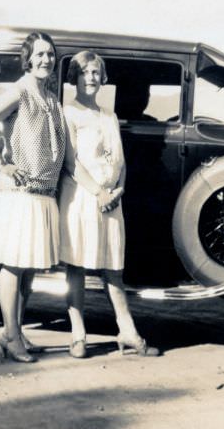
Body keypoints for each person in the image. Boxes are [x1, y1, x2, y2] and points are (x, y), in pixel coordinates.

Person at [0, 32, 66, 363]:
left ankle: (16, 332)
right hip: (19, 194)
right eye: (39, 54)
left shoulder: (51, 97)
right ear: (28, 59)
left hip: (43, 194)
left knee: (28, 269)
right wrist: (3, 163)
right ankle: (10, 335)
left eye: (50, 54)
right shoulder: (20, 91)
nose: (45, 60)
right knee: (14, 265)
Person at [59, 50, 159, 358]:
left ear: (102, 78)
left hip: (112, 200)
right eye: (84, 72)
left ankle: (127, 332)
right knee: (76, 267)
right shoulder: (69, 113)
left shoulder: (109, 115)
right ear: (74, 77)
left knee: (113, 269)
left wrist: (118, 190)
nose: (90, 78)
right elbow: (70, 162)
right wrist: (98, 193)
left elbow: (121, 160)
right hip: (81, 198)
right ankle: (78, 335)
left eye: (95, 72)